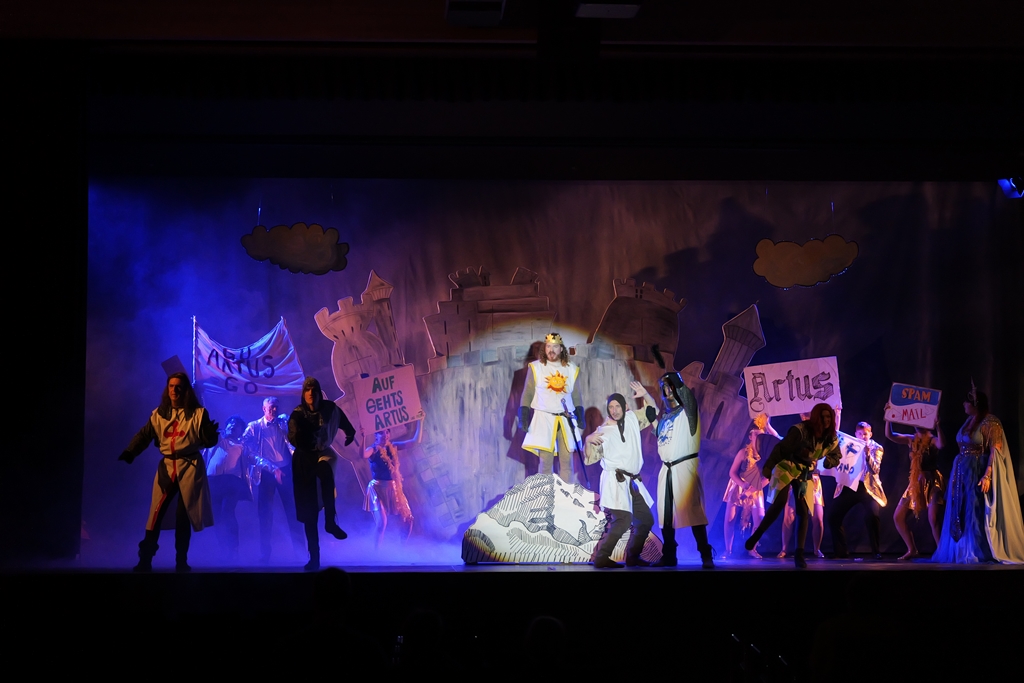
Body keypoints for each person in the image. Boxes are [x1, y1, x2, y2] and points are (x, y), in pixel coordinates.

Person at [118, 372, 219, 572]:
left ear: (186, 390)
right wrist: (131, 451)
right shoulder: (159, 414)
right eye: (171, 386)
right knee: (155, 514)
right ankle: (145, 560)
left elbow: (209, 440)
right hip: (167, 467)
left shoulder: (198, 414)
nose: (175, 390)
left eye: (179, 386)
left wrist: (210, 436)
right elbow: (145, 435)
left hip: (190, 466)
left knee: (183, 515)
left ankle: (181, 561)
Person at [932, 387, 1024, 563]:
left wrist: (987, 475)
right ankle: (961, 548)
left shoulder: (990, 422)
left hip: (977, 470)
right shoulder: (969, 420)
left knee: (974, 509)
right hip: (961, 470)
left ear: (975, 404)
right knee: (960, 508)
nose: (963, 404)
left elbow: (995, 450)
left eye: (967, 402)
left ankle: (976, 549)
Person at [745, 403, 841, 568]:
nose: (826, 420)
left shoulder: (830, 437)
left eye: (829, 417)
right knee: (779, 504)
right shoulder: (800, 430)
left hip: (805, 472)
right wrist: (768, 467)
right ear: (816, 417)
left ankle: (799, 554)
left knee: (803, 511)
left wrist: (829, 461)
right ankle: (756, 536)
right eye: (823, 416)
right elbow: (781, 449)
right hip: (786, 466)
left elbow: (836, 455)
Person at [583, 382, 658, 568]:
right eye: (611, 407)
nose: (614, 410)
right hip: (615, 481)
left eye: (618, 406)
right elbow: (590, 458)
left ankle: (633, 556)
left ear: (625, 407)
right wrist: (587, 440)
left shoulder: (632, 418)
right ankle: (602, 557)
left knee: (646, 520)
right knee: (623, 520)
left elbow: (652, 412)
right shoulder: (602, 432)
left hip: (633, 481)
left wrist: (645, 394)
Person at [288, 376, 357, 571]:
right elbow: (293, 436)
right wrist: (304, 436)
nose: (311, 393)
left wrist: (350, 432)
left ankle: (330, 521)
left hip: (322, 453)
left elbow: (342, 420)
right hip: (303, 460)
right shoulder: (297, 415)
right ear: (303, 394)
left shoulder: (329, 409)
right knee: (309, 513)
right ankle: (314, 558)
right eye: (307, 390)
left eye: (314, 390)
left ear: (318, 392)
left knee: (326, 472)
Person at [654, 372, 714, 568]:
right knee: (666, 517)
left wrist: (675, 380)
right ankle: (669, 556)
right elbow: (662, 439)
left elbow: (686, 396)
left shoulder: (688, 412)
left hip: (685, 467)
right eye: (664, 388)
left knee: (693, 512)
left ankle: (706, 554)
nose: (668, 391)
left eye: (670, 386)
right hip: (667, 470)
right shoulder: (665, 418)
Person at [243, 396, 305, 562]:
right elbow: (249, 454)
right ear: (264, 409)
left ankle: (301, 552)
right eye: (271, 407)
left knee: (293, 512)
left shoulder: (283, 423)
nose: (274, 410)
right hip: (266, 473)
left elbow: (295, 441)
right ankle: (265, 554)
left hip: (285, 471)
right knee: (265, 515)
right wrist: (271, 468)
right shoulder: (254, 427)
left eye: (276, 407)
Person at [519, 332, 585, 484]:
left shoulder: (571, 368)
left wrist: (580, 414)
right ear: (545, 348)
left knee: (567, 461)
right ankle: (545, 494)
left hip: (565, 418)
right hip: (544, 418)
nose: (551, 350)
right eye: (548, 346)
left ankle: (566, 493)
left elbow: (576, 394)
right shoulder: (537, 368)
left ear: (561, 349)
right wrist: (523, 416)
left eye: (555, 347)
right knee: (545, 462)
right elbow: (528, 393)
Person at [886, 420, 945, 560]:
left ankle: (942, 551)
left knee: (933, 518)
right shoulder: (911, 439)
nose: (917, 425)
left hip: (932, 481)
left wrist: (938, 425)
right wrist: (888, 419)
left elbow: (941, 445)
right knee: (898, 517)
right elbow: (890, 435)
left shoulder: (932, 440)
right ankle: (912, 549)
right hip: (915, 481)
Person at [828, 421, 886, 559]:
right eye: (859, 434)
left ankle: (876, 551)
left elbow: (875, 470)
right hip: (850, 485)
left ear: (870, 434)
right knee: (833, 516)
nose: (862, 436)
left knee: (872, 515)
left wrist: (867, 455)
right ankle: (841, 551)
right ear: (855, 434)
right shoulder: (850, 445)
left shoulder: (876, 448)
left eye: (865, 434)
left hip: (868, 488)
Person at [363, 423, 419, 547]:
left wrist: (421, 421)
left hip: (394, 487)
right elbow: (363, 455)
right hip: (377, 488)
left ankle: (402, 548)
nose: (385, 435)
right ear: (376, 435)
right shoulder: (373, 449)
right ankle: (376, 553)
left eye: (387, 432)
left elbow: (414, 442)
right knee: (382, 522)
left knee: (408, 519)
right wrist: (363, 437)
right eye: (381, 432)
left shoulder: (393, 446)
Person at [723, 419, 771, 559]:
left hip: (755, 487)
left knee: (760, 519)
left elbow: (767, 478)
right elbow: (732, 472)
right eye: (756, 434)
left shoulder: (765, 455)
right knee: (730, 519)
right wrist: (742, 485)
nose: (758, 437)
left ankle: (752, 548)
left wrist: (751, 490)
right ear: (750, 436)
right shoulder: (743, 452)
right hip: (738, 486)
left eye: (761, 435)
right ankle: (728, 550)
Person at [205, 414, 249, 561]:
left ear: (241, 430)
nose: (232, 425)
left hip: (231, 482)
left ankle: (234, 548)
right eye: (230, 423)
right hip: (213, 482)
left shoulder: (242, 446)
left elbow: (256, 458)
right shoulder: (217, 440)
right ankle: (223, 549)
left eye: (236, 424)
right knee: (216, 516)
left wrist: (273, 469)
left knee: (227, 512)